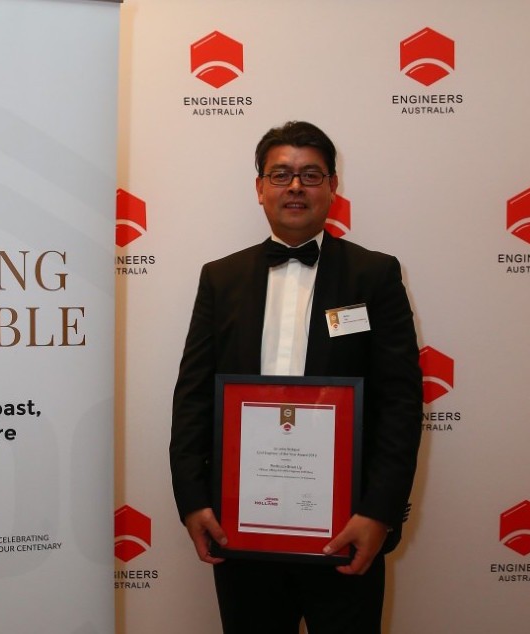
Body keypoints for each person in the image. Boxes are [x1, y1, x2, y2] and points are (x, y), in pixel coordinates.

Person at [169, 121, 423, 633]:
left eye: (311, 174)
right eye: (280, 174)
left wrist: (378, 513)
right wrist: (192, 500)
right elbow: (193, 395)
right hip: (240, 526)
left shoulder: (375, 275)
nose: (295, 187)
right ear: (259, 187)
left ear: (333, 186)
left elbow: (400, 402)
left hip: (346, 527)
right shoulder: (220, 277)